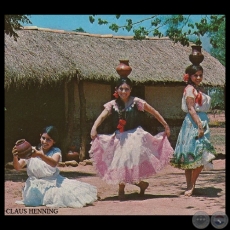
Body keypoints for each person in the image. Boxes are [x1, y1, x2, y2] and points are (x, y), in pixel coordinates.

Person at [89, 77, 174, 200]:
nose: (124, 92)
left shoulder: (136, 102)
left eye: (126, 89)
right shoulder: (112, 104)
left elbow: (154, 112)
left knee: (126, 163)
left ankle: (122, 189)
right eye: (121, 89)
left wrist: (165, 125)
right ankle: (140, 184)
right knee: (121, 164)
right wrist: (94, 128)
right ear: (116, 89)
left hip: (135, 136)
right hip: (120, 137)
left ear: (131, 90)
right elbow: (102, 117)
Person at [12, 125, 98, 208]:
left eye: (49, 140)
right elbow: (18, 167)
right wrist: (15, 157)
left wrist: (40, 155)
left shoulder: (56, 151)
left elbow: (53, 163)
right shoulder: (31, 151)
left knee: (66, 195)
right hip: (34, 184)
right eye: (43, 138)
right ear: (40, 136)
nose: (45, 142)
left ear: (54, 141)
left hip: (52, 181)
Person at [170, 64, 217, 197]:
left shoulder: (199, 89)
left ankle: (192, 183)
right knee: (191, 152)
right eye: (195, 75)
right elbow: (191, 108)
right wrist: (199, 125)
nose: (198, 77)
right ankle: (190, 184)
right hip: (193, 123)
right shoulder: (190, 89)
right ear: (189, 76)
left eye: (200, 75)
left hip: (202, 120)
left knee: (202, 153)